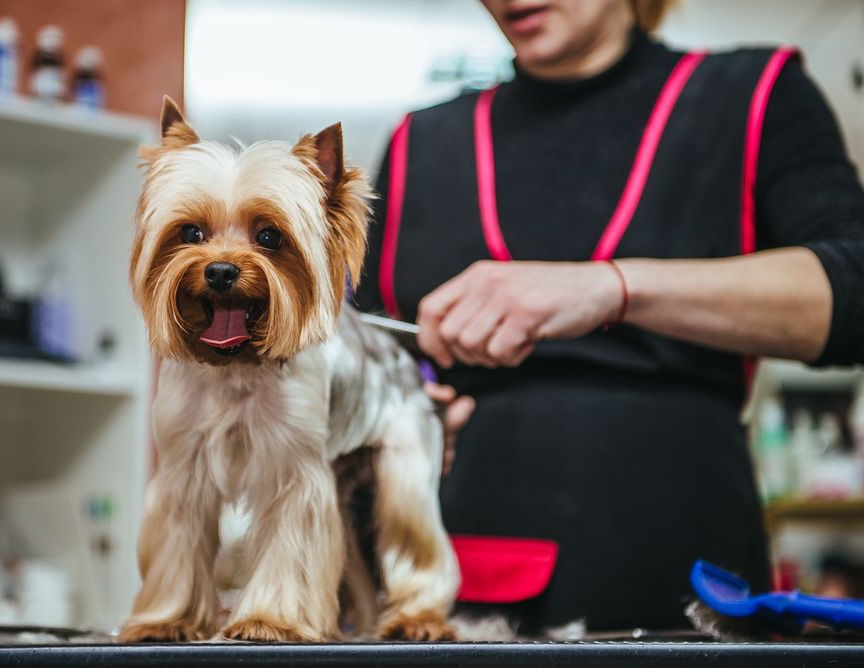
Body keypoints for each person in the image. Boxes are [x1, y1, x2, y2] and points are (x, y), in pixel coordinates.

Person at [354, 0, 864, 633]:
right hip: (463, 585)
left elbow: (852, 290)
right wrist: (405, 414)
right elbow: (358, 360)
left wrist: (611, 287)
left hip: (692, 580)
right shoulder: (422, 144)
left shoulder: (752, 95)